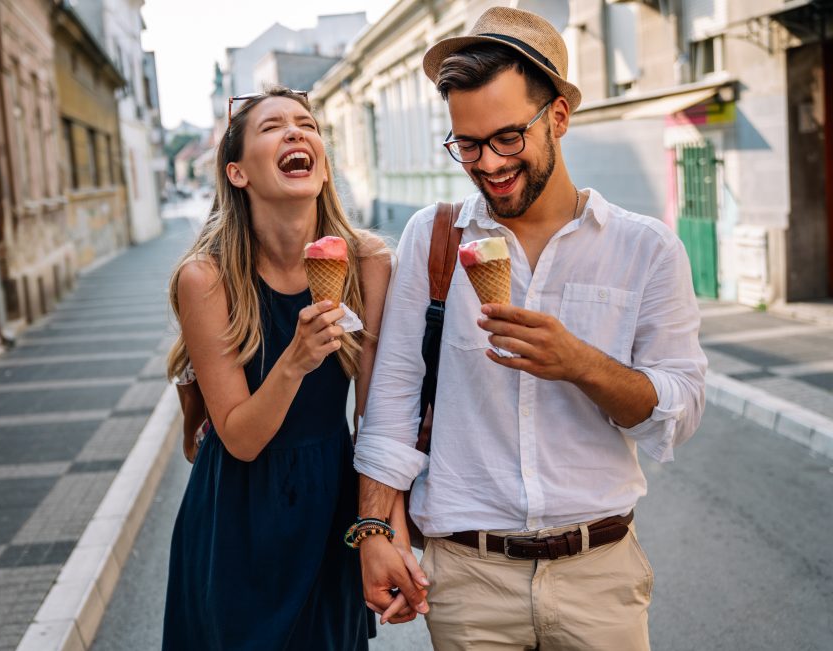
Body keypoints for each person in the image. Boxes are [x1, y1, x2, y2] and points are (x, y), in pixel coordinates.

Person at [353, 7, 708, 650]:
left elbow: (678, 412)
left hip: (599, 576)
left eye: (507, 137)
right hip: (468, 581)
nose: (487, 164)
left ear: (559, 118)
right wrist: (374, 532)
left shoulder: (646, 249)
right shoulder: (434, 240)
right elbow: (393, 401)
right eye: (468, 144)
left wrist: (580, 362)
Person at [161, 87, 395, 650]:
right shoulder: (208, 279)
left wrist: (380, 529)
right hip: (238, 512)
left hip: (331, 503)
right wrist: (296, 359)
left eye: (305, 124)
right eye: (272, 128)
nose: (295, 132)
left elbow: (379, 415)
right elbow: (239, 438)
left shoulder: (369, 263)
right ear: (237, 173)